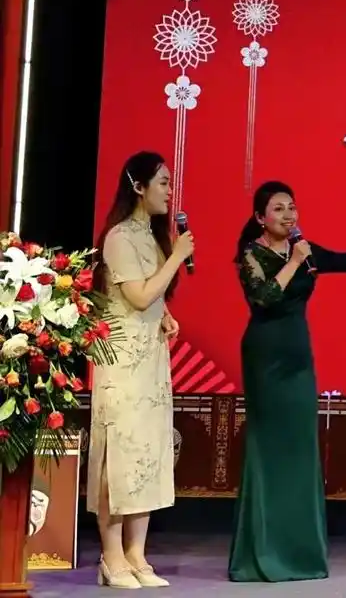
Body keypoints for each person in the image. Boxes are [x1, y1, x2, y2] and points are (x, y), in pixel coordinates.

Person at [227, 181, 346, 583]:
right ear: (260, 217)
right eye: (279, 209)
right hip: (266, 358)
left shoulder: (305, 250)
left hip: (298, 357)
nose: (288, 215)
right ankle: (260, 553)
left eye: (292, 208)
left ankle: (298, 553)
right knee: (269, 447)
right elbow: (264, 298)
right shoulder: (251, 255)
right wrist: (295, 261)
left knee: (299, 448)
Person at [88, 151, 194, 589]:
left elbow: (151, 297)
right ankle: (111, 556)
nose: (170, 192)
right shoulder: (118, 237)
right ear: (138, 186)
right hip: (121, 362)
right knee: (120, 454)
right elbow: (135, 296)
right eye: (163, 183)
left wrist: (164, 315)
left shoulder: (151, 236)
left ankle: (137, 554)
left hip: (150, 359)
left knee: (146, 453)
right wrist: (178, 256)